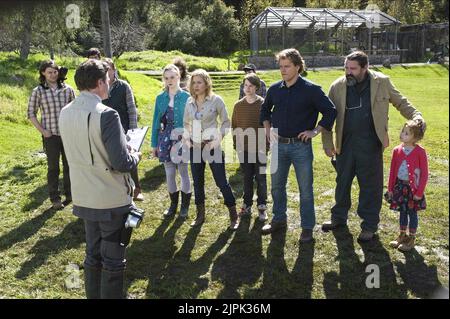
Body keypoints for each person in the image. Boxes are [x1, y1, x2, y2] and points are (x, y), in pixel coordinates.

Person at [321, 50, 426, 242]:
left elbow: (401, 102)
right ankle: (338, 218)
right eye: (346, 67)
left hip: (371, 144)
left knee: (371, 187)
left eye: (353, 68)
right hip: (345, 144)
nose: (348, 72)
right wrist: (327, 143)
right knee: (342, 183)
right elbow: (328, 115)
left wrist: (416, 116)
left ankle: (369, 226)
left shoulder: (382, 82)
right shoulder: (337, 86)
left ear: (365, 67)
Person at [59, 59, 141, 299]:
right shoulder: (107, 114)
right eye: (107, 80)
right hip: (110, 199)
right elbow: (121, 163)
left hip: (84, 196)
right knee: (114, 259)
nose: (109, 84)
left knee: (92, 254)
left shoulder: (66, 111)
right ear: (99, 83)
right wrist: (134, 154)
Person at [260, 48, 336, 242]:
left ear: (298, 67)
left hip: (301, 147)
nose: (282, 70)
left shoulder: (312, 90)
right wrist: (267, 128)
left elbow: (330, 111)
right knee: (276, 186)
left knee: (305, 190)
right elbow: (264, 111)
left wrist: (315, 131)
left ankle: (307, 227)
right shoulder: (275, 89)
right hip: (278, 145)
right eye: (280, 66)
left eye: (287, 66)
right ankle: (279, 219)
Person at [183, 69, 239, 230]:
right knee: (197, 182)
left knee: (221, 181)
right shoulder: (189, 102)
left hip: (212, 146)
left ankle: (233, 215)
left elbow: (226, 122)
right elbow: (186, 123)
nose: (196, 86)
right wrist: (187, 139)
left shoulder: (216, 100)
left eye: (199, 82)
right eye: (193, 82)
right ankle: (200, 215)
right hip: (195, 147)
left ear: (207, 83)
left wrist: (217, 140)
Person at [27, 60, 76, 210]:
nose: (53, 75)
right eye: (49, 72)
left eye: (55, 72)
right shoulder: (38, 91)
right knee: (53, 168)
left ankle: (71, 195)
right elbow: (30, 113)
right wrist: (43, 131)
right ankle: (55, 198)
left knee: (70, 166)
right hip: (51, 136)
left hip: (68, 135)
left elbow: (76, 111)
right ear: (43, 73)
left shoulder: (68, 90)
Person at [151, 64, 191, 218]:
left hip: (182, 137)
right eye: (166, 78)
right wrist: (154, 144)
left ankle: (185, 207)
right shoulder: (160, 98)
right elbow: (155, 121)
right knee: (169, 172)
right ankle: (173, 205)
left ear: (178, 77)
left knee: (183, 171)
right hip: (165, 138)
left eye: (172, 77)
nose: (169, 80)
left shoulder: (187, 97)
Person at [102, 58, 143, 201]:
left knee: (130, 157)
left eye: (110, 69)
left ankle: (136, 188)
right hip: (106, 129)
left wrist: (133, 130)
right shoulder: (100, 87)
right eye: (104, 70)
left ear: (114, 70)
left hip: (124, 128)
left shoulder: (123, 86)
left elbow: (131, 108)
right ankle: (117, 190)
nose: (108, 72)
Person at [386, 120, 428, 251]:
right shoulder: (396, 150)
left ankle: (411, 238)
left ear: (415, 137)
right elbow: (392, 171)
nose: (402, 134)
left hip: (413, 190)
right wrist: (390, 189)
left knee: (412, 213)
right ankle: (402, 235)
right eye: (403, 132)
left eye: (406, 133)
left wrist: (419, 192)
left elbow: (425, 174)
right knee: (402, 212)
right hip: (400, 187)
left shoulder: (420, 152)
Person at [231, 73, 268, 222]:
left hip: (260, 148)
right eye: (245, 85)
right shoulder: (238, 105)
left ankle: (262, 206)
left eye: (251, 86)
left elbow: (268, 126)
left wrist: (266, 145)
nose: (247, 88)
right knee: (247, 178)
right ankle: (246, 205)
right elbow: (234, 126)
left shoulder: (264, 104)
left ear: (257, 88)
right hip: (244, 148)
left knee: (261, 178)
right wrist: (236, 144)